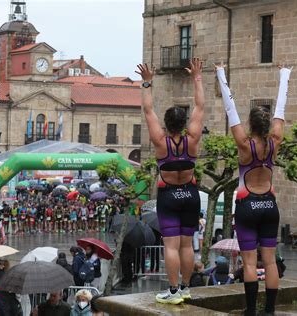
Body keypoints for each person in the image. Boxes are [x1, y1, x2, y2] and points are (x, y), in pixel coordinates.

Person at [215, 62, 292, 315]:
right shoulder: (275, 141)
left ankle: (250, 311)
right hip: (270, 205)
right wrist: (284, 75)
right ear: (267, 124)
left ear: (251, 123)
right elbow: (281, 109)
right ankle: (269, 311)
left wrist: (221, 73)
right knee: (269, 261)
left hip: (247, 205)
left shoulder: (245, 145)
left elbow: (230, 109)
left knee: (249, 262)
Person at [135, 58, 204, 305]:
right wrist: (197, 76)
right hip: (190, 193)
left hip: (169, 195)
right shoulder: (193, 139)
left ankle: (173, 291)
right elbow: (200, 105)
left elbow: (148, 110)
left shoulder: (161, 142)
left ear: (166, 123)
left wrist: (147, 83)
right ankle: (185, 288)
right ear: (184, 123)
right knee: (187, 246)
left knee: (171, 246)